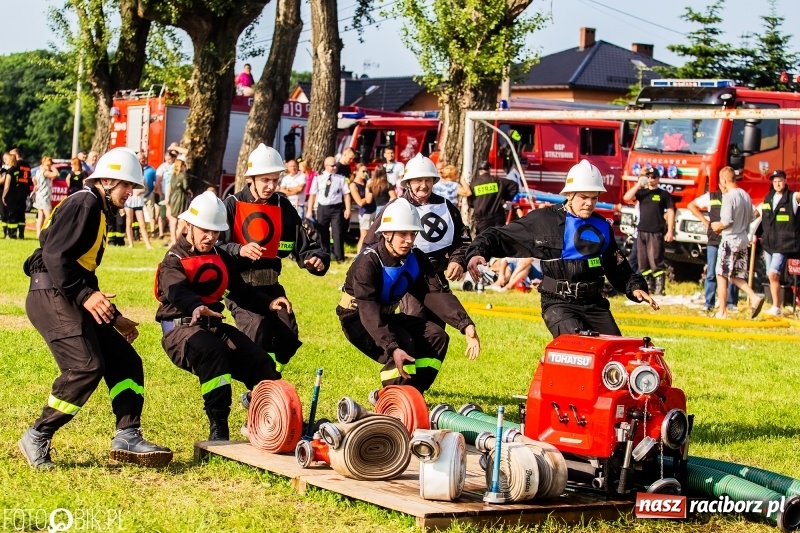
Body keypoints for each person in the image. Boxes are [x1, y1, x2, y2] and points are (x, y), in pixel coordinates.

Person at [19, 147, 173, 470]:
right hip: (50, 294)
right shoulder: (85, 203)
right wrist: (86, 296)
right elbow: (55, 257)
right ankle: (37, 434)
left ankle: (127, 435)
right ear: (105, 180)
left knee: (126, 360)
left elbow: (80, 271)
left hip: (64, 290)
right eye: (125, 186)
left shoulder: (97, 209)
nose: (129, 193)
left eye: (132, 187)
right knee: (87, 365)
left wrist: (113, 317)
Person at [467, 160, 659, 338]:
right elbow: (499, 235)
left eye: (594, 198)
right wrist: (478, 253)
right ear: (569, 194)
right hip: (558, 304)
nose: (589, 203)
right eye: (583, 197)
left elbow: (617, 266)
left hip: (594, 304)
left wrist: (634, 287)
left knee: (615, 356)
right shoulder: (544, 221)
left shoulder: (602, 226)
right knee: (579, 349)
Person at [156, 191, 286, 440]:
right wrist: (195, 306)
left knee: (260, 360)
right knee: (212, 352)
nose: (210, 237)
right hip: (180, 331)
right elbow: (177, 292)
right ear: (189, 225)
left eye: (215, 232)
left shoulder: (221, 256)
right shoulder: (173, 260)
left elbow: (241, 291)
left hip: (213, 327)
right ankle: (219, 428)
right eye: (205, 230)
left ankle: (275, 419)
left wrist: (269, 303)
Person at [336, 199, 480, 393]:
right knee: (403, 342)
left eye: (413, 234)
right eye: (403, 234)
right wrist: (392, 346)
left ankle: (413, 394)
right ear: (387, 233)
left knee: (436, 336)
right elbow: (368, 309)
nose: (409, 240)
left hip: (384, 316)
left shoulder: (415, 258)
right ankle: (391, 399)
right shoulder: (367, 262)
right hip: (357, 319)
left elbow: (434, 293)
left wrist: (465, 325)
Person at [218, 143, 329, 378]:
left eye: (275, 180)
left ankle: (271, 379)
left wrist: (315, 259)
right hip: (241, 288)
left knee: (288, 336)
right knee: (258, 332)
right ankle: (261, 387)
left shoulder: (282, 205)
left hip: (272, 286)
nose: (270, 186)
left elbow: (303, 245)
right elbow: (215, 246)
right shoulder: (232, 205)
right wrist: (239, 249)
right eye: (265, 180)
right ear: (252, 178)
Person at [363, 153, 469, 327]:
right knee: (416, 323)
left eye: (427, 180)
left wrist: (457, 261)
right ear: (408, 183)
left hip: (436, 276)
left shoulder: (447, 207)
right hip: (407, 277)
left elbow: (462, 241)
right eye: (418, 180)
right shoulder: (395, 207)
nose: (423, 185)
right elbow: (370, 244)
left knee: (437, 328)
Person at [710, 167, 764, 319]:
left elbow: (726, 221)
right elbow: (755, 214)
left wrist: (716, 226)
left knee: (721, 275)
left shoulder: (728, 196)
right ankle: (754, 298)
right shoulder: (745, 195)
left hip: (729, 240)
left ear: (724, 181)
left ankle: (722, 311)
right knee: (735, 276)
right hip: (743, 240)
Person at [687, 177, 739, 314]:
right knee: (711, 272)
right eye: (722, 184)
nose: (724, 187)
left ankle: (731, 303)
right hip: (714, 240)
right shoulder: (711, 196)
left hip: (730, 240)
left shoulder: (735, 197)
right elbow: (691, 205)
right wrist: (705, 221)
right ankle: (709, 302)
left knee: (731, 272)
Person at [753, 169, 800, 316]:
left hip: (783, 244)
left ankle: (775, 305)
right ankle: (776, 308)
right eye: (775, 181)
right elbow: (755, 214)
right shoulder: (768, 198)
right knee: (771, 276)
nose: (777, 183)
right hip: (768, 244)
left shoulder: (792, 197)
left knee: (773, 274)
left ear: (785, 181)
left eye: (780, 181)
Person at [622, 167, 675, 296]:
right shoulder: (642, 192)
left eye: (653, 177)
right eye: (649, 177)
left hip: (656, 231)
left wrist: (670, 231)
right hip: (641, 231)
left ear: (658, 178)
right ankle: (648, 286)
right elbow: (626, 197)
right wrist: (639, 183)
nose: (651, 179)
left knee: (656, 260)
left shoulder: (663, 194)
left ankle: (659, 289)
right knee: (642, 261)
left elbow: (671, 211)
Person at [307, 156, 351, 263]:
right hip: (323, 207)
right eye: (332, 165)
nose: (335, 167)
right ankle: (324, 254)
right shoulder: (318, 178)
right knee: (323, 232)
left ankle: (339, 257)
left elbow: (346, 194)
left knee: (337, 232)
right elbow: (312, 195)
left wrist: (348, 209)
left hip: (336, 208)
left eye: (335, 165)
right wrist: (309, 210)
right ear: (326, 166)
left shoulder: (340, 178)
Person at [469, 160, 518, 235]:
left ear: (479, 170)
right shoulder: (498, 181)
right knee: (498, 240)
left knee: (483, 241)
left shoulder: (474, 184)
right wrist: (505, 198)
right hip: (498, 217)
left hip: (482, 220)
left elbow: (471, 203)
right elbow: (514, 186)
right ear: (489, 170)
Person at [1, 151, 31, 239]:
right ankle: (21, 233)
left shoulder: (14, 167)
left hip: (14, 191)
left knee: (11, 213)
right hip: (24, 191)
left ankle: (11, 234)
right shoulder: (27, 165)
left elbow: (7, 182)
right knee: (21, 213)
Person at [349, 164, 376, 253]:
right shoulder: (353, 185)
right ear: (356, 172)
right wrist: (368, 191)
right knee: (364, 235)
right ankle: (358, 255)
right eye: (363, 171)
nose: (365, 173)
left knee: (373, 235)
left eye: (366, 171)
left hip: (373, 209)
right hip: (365, 212)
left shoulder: (366, 182)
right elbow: (360, 202)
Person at [33, 156, 59, 237]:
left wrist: (36, 185)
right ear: (43, 164)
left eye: (50, 165)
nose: (49, 166)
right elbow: (56, 174)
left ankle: (39, 234)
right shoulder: (45, 172)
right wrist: (53, 167)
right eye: (47, 165)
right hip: (44, 197)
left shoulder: (38, 172)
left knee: (40, 216)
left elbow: (33, 179)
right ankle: (47, 233)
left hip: (39, 196)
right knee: (48, 216)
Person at [167, 155, 191, 246]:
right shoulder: (183, 175)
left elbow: (171, 186)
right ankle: (177, 239)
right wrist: (190, 191)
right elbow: (185, 187)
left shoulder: (173, 175)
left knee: (173, 220)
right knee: (183, 220)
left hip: (173, 197)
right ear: (182, 165)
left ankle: (173, 239)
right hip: (181, 198)